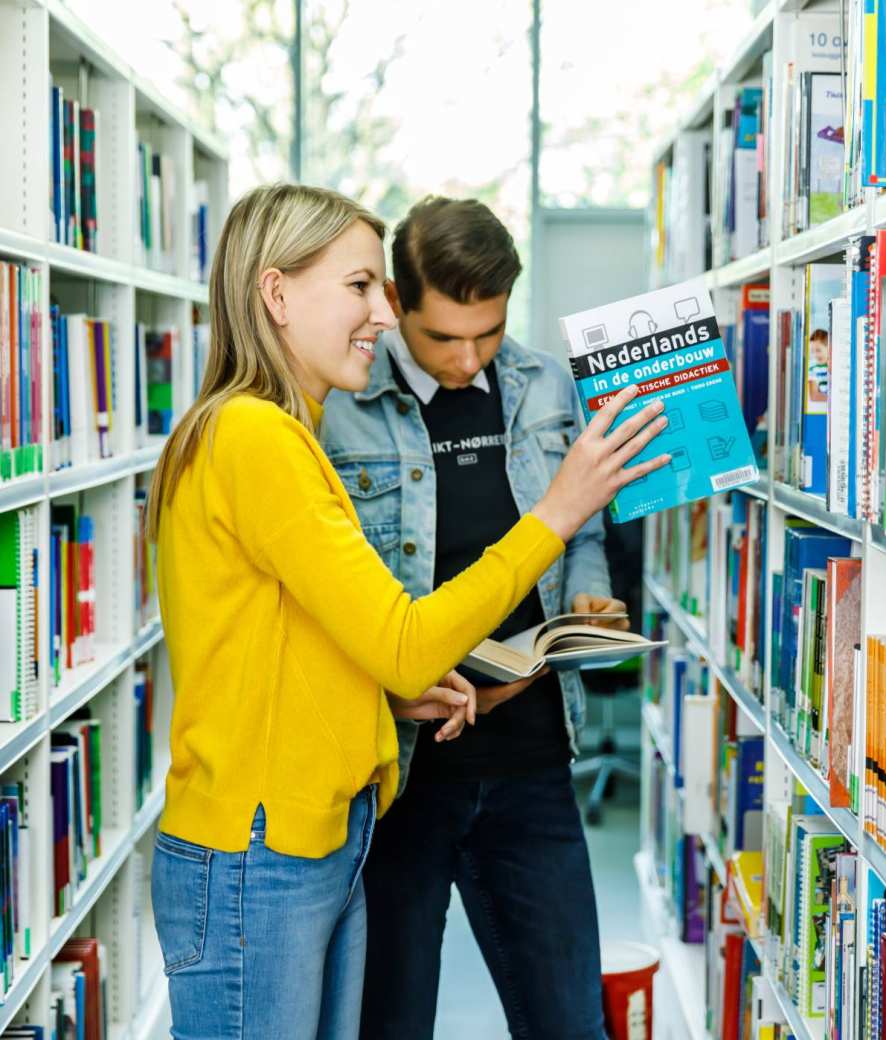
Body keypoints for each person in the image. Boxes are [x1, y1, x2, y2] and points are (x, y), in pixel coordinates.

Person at [146, 183, 670, 1040]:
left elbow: (294, 644)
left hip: (315, 830)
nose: (378, 315)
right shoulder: (263, 437)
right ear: (276, 295)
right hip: (264, 846)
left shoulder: (271, 430)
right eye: (359, 288)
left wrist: (389, 699)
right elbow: (395, 637)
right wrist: (557, 513)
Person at [320, 196, 623, 1040]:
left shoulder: (544, 386)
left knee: (570, 1024)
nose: (466, 360)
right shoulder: (336, 406)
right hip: (399, 774)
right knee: (391, 1021)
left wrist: (589, 594)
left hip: (531, 764)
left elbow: (581, 529)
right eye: (442, 337)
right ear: (395, 303)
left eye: (486, 334)